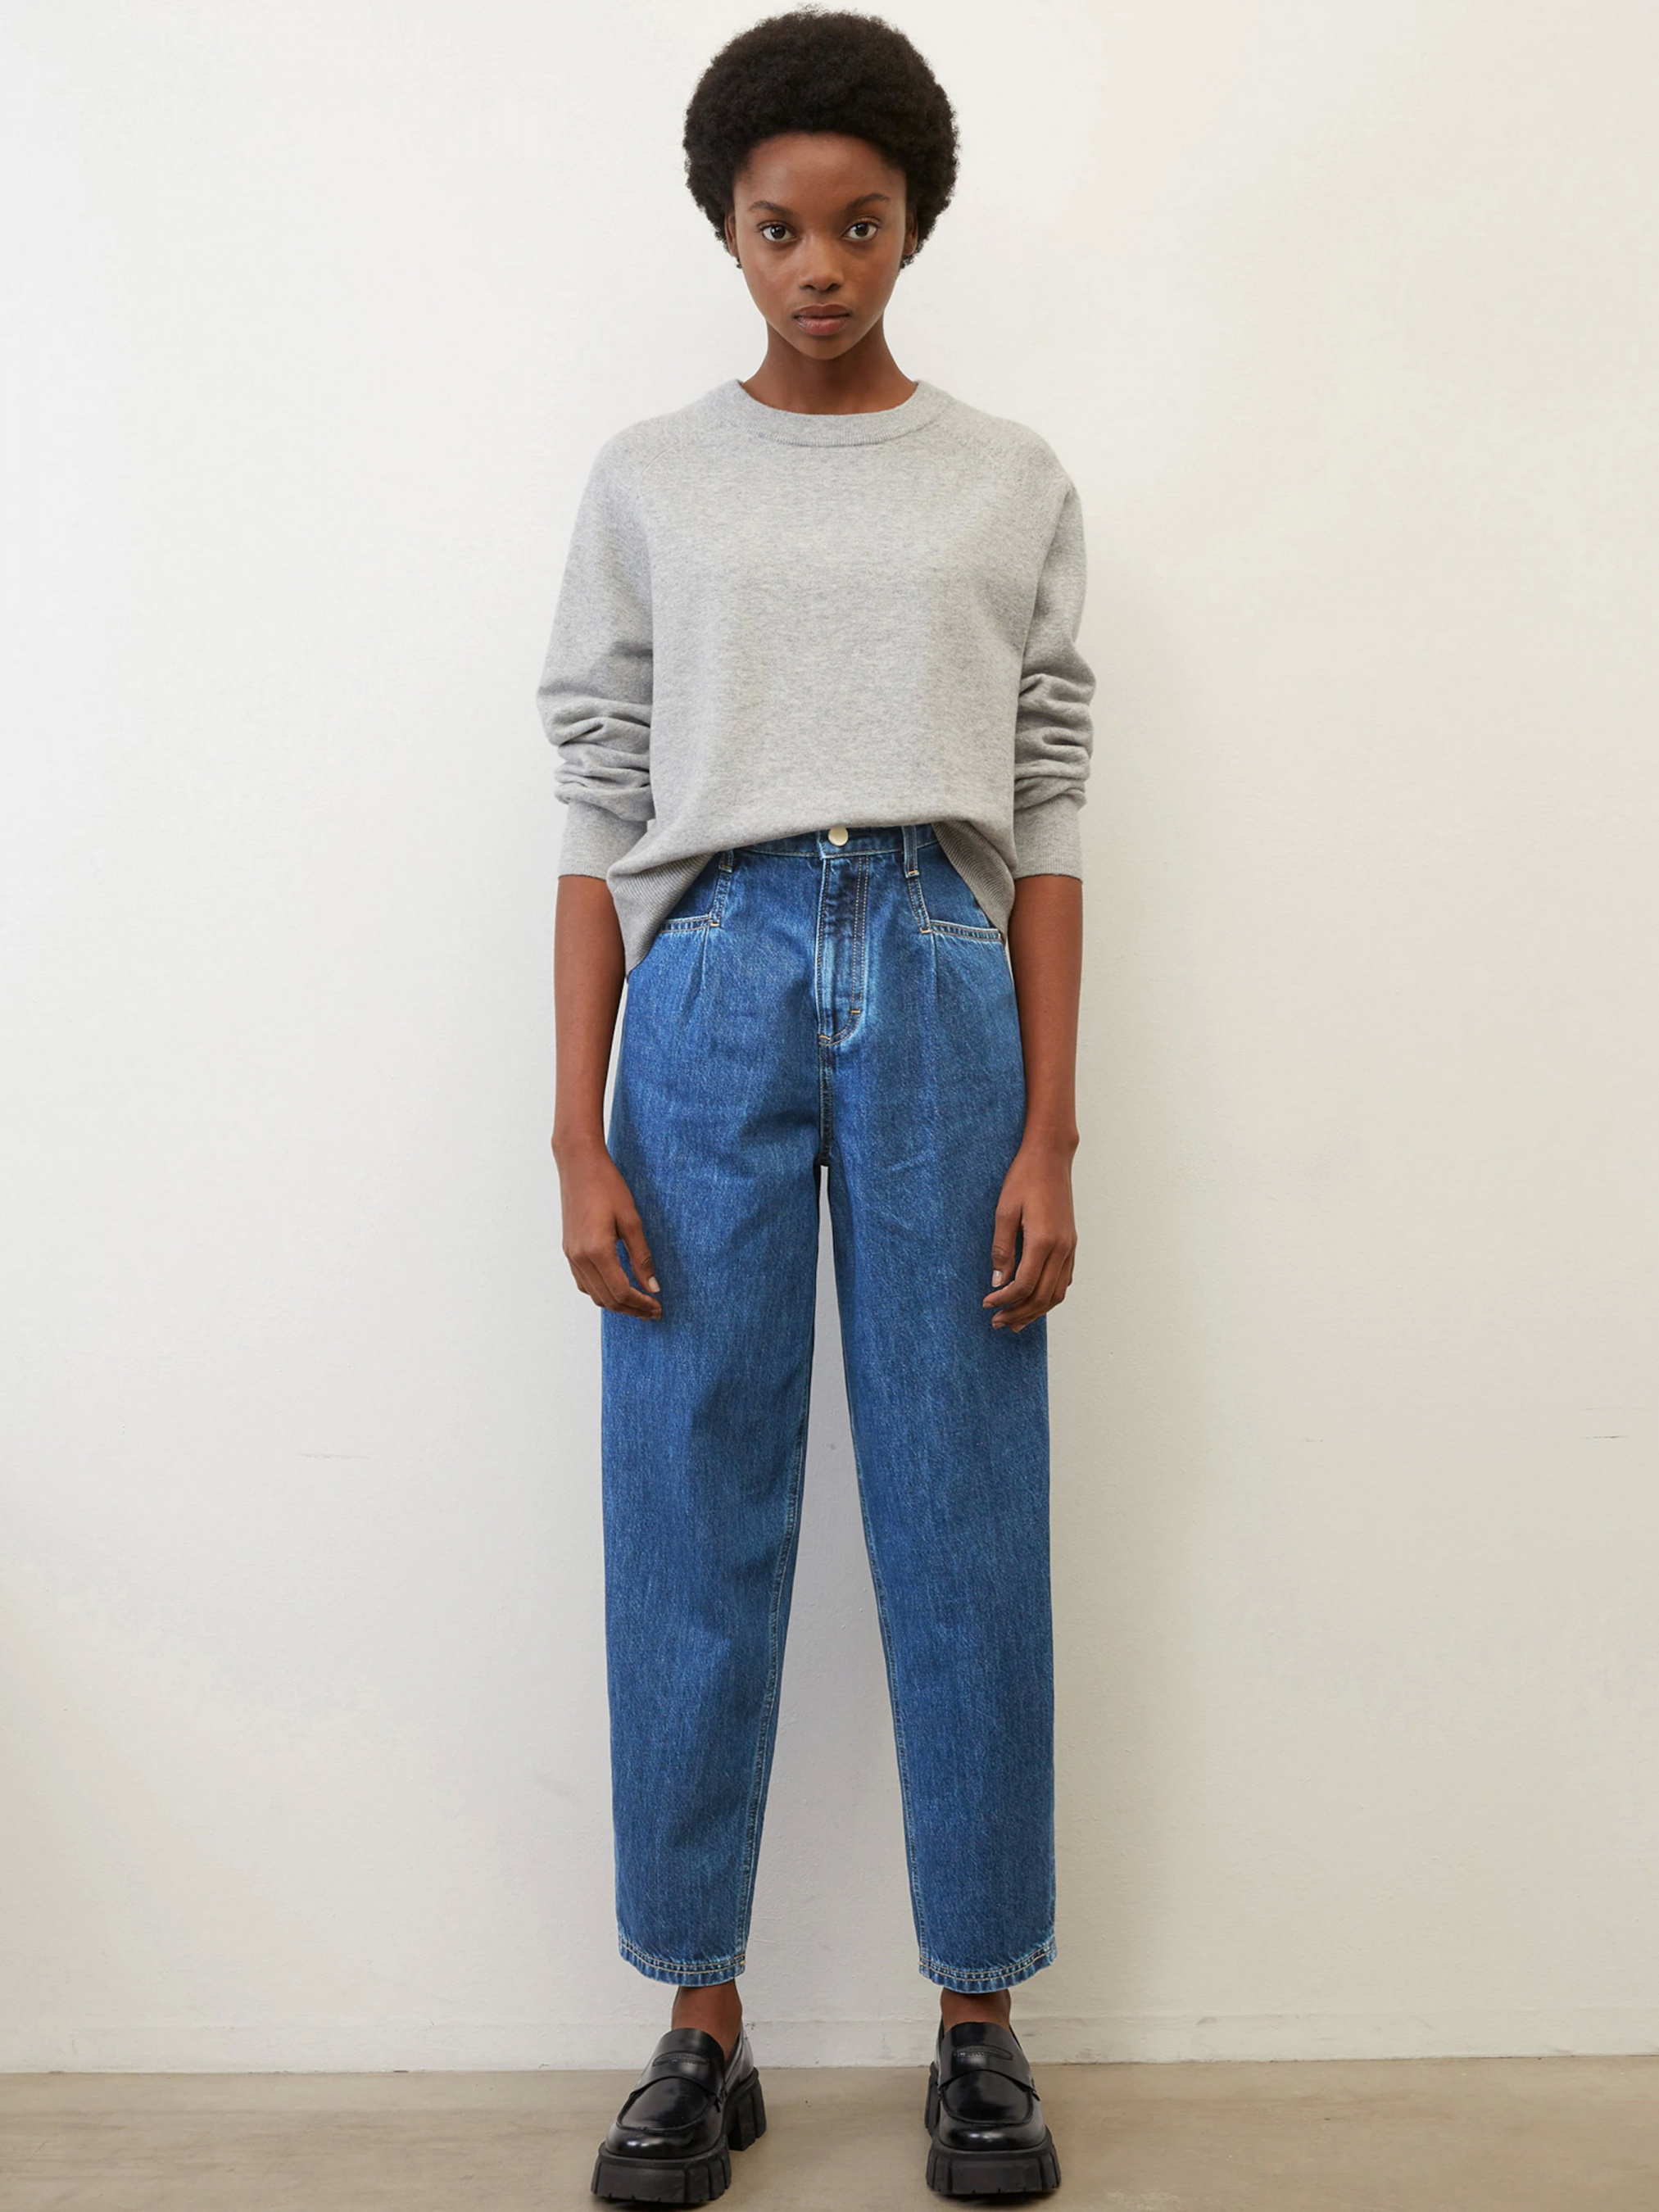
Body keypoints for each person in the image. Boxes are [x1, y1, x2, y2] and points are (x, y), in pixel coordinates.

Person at [537, 11, 1095, 2200]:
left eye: (860, 225)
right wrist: (573, 1128)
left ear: (913, 225)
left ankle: (980, 2018)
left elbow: (1047, 801)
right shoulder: (649, 481)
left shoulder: (1007, 478)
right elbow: (599, 802)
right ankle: (700, 2021)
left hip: (946, 973)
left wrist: (1053, 1129)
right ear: (727, 231)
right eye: (779, 228)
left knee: (965, 1503)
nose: (821, 266)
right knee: (691, 1499)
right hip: (709, 982)